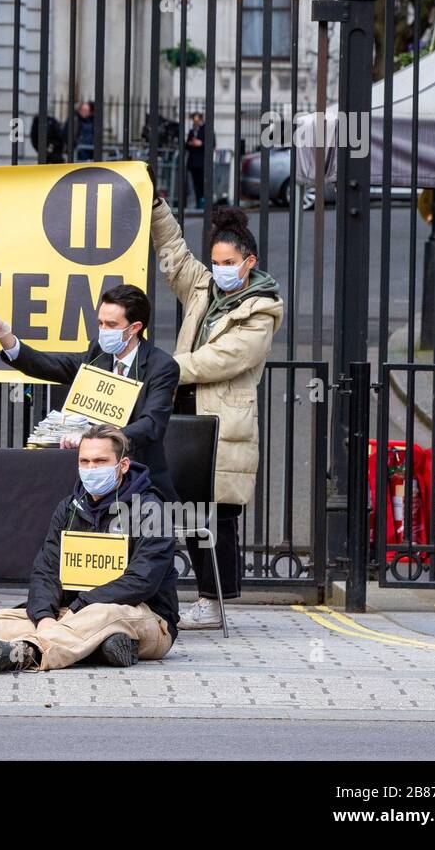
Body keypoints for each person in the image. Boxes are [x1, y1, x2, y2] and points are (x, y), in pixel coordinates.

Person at [151, 198, 283, 630]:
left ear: (249, 262)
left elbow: (224, 359)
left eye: (229, 261)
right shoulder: (204, 288)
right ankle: (200, 597)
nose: (220, 268)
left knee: (219, 514)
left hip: (224, 421)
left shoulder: (262, 309)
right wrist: (157, 210)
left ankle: (215, 600)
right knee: (188, 507)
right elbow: (174, 257)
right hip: (186, 412)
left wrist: (168, 367)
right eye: (215, 261)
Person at [0, 424, 178, 672]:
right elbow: (46, 569)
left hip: (142, 615)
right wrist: (45, 617)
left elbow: (142, 580)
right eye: (85, 461)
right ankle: (100, 647)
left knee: (104, 616)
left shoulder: (151, 510)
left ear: (122, 465)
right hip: (70, 614)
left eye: (101, 461)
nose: (91, 468)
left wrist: (80, 607)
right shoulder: (69, 507)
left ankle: (29, 653)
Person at [0, 284, 180, 501]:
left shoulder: (161, 366)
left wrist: (100, 439)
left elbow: (151, 425)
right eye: (100, 323)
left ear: (134, 327)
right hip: (88, 476)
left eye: (111, 325)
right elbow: (53, 365)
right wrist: (5, 337)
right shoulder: (98, 353)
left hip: (138, 479)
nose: (103, 330)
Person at [185, 111, 206, 208]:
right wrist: (191, 143)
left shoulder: (206, 129)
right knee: (195, 184)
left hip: (203, 161)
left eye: (197, 119)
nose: (196, 122)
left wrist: (201, 143)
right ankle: (198, 201)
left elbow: (212, 144)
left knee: (202, 182)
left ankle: (203, 200)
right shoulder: (191, 131)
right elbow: (186, 145)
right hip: (193, 162)